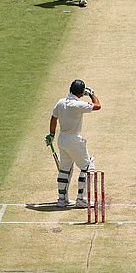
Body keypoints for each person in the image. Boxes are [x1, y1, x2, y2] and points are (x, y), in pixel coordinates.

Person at [47, 80, 100, 208]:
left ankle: (62, 199)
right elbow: (97, 106)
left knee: (65, 169)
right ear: (81, 92)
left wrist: (52, 134)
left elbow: (54, 118)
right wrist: (91, 93)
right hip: (74, 140)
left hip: (62, 139)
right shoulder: (78, 105)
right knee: (88, 167)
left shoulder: (60, 103)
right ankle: (82, 199)